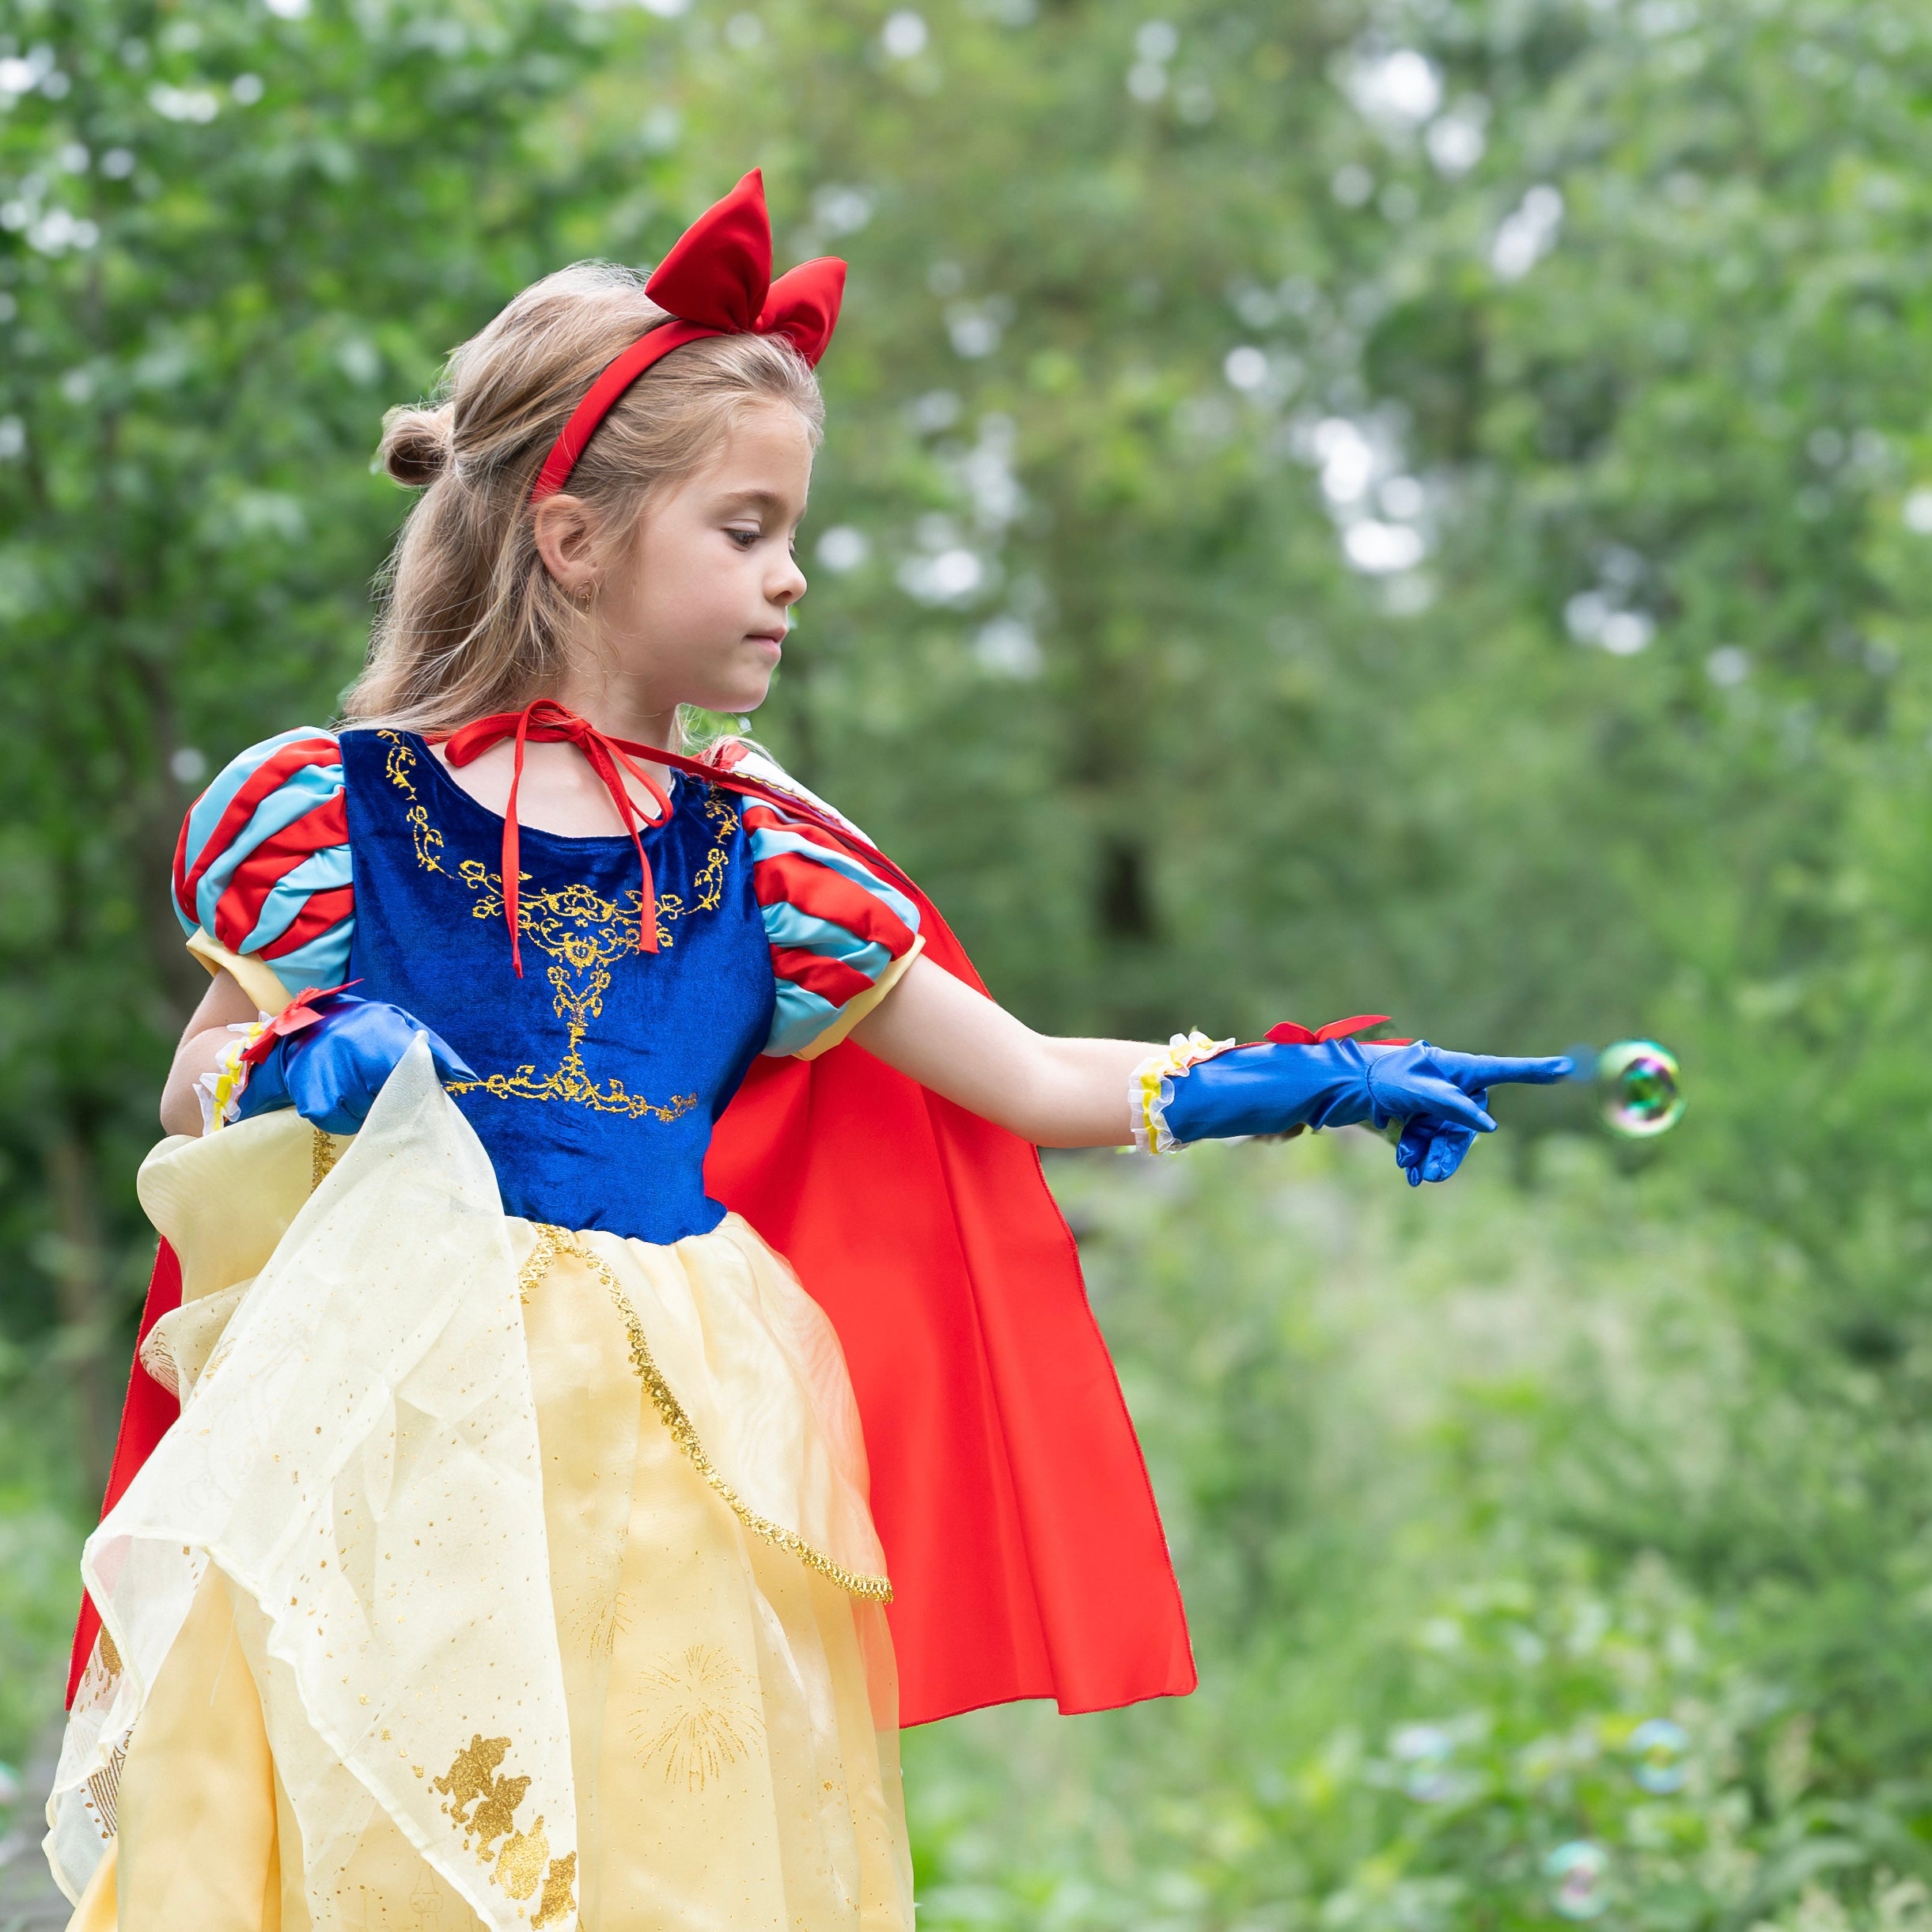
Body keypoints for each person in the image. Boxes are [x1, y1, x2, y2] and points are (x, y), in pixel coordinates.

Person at [46, 171, 1570, 1932]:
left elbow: (1034, 1079)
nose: (790, 579)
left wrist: (1312, 1075)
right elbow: (192, 1086)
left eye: (795, 535)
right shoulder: (334, 813)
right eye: (746, 528)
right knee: (382, 1857)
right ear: (575, 540)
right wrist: (295, 1053)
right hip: (388, 1440)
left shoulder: (766, 860)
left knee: (650, 1862)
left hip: (673, 1466)